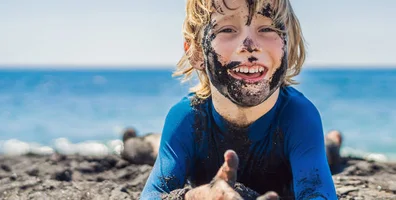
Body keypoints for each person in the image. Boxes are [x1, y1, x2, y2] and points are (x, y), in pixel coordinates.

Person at [140, 0, 338, 199]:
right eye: (227, 29)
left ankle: (333, 140)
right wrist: (194, 196)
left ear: (289, 44)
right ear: (196, 52)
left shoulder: (299, 117)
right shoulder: (189, 118)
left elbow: (319, 192)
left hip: (305, 146)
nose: (250, 46)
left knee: (326, 152)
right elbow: (152, 194)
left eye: (267, 28)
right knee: (145, 149)